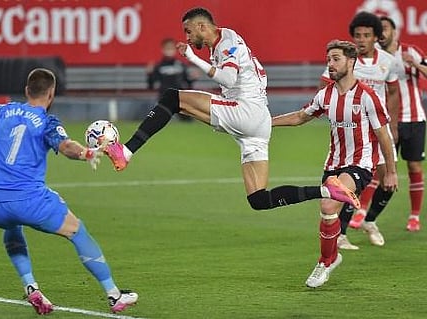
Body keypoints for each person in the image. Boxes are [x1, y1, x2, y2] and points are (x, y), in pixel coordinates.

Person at [103, 7, 360, 213]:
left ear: (202, 26)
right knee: (259, 199)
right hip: (257, 122)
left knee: (172, 98)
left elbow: (227, 79)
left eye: (189, 31)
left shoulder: (227, 42)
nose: (187, 38)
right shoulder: (223, 46)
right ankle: (327, 191)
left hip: (245, 111)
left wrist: (192, 58)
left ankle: (125, 151)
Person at [0, 68, 138, 315]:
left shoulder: (1, 111)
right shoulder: (48, 121)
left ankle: (31, 287)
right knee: (77, 231)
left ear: (27, 91)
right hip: (29, 202)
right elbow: (67, 146)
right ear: (52, 93)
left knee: (11, 225)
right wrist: (87, 153)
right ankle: (114, 295)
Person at [273, 40, 398, 288]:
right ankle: (331, 258)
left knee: (329, 201)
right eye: (328, 59)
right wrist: (267, 123)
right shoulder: (325, 94)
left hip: (360, 166)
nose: (330, 64)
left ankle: (323, 262)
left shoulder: (367, 96)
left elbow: (383, 135)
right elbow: (300, 117)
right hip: (333, 165)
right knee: (329, 215)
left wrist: (391, 172)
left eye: (336, 59)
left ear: (351, 62)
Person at [320, 12, 400, 249]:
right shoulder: (344, 61)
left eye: (367, 35)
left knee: (389, 181)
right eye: (357, 35)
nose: (362, 39)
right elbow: (325, 87)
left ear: (376, 37)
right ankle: (341, 233)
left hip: (379, 129)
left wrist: (393, 124)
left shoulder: (389, 61)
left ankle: (369, 220)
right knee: (347, 183)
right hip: (354, 133)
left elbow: (394, 93)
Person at [349, 16, 426, 232]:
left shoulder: (410, 51)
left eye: (385, 28)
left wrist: (415, 63)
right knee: (378, 167)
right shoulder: (373, 58)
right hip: (383, 121)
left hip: (413, 118)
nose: (382, 33)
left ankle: (414, 216)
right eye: (379, 29)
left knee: (413, 166)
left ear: (394, 31)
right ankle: (362, 212)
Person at [147, 37, 196, 122]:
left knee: (188, 121)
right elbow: (151, 85)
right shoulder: (158, 66)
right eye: (167, 48)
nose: (169, 50)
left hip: (180, 98)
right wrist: (149, 74)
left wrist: (193, 78)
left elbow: (188, 83)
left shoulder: (180, 65)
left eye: (171, 48)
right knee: (159, 122)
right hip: (164, 98)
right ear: (163, 49)